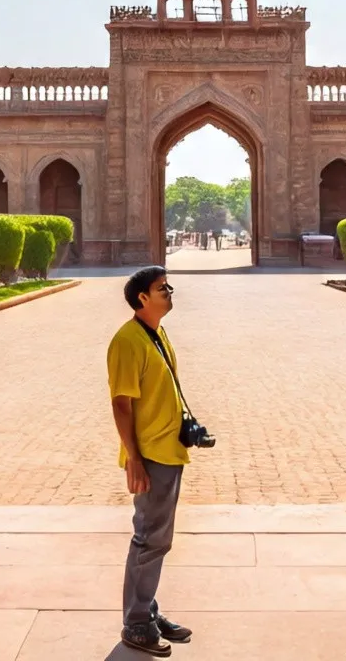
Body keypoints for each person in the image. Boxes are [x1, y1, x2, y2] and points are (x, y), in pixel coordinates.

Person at [107, 266, 195, 656]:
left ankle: (147, 609)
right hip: (150, 456)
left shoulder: (156, 333)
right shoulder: (127, 341)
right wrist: (134, 460)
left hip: (167, 450)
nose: (169, 292)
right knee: (149, 540)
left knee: (157, 540)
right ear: (142, 298)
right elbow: (121, 405)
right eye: (162, 288)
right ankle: (136, 623)